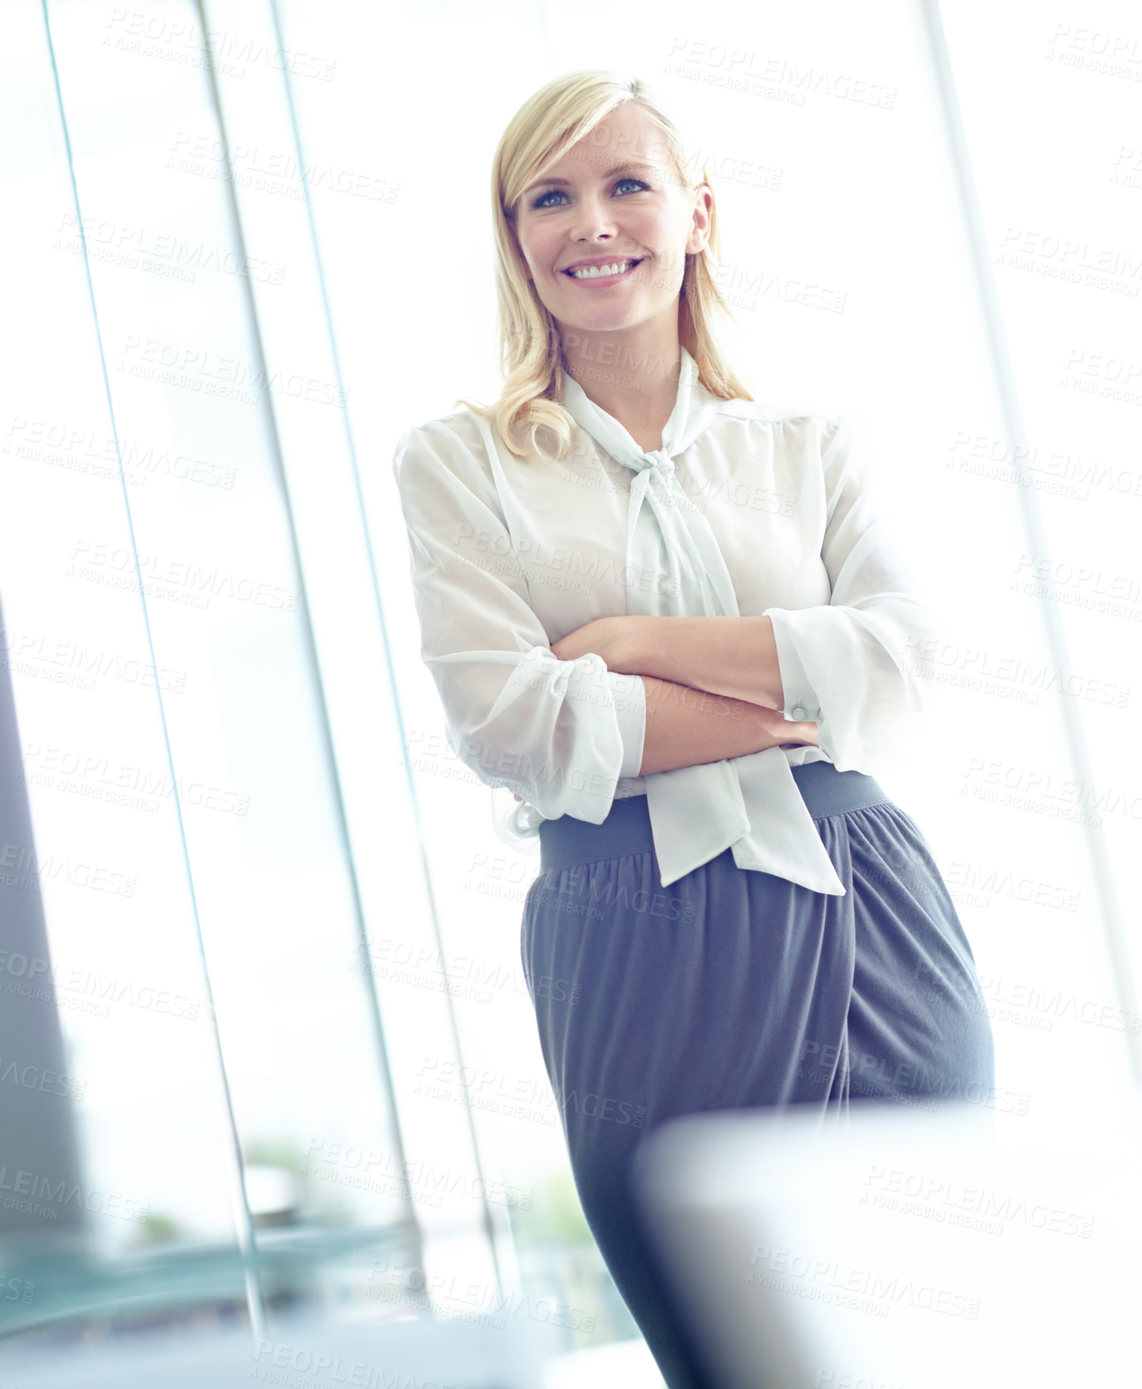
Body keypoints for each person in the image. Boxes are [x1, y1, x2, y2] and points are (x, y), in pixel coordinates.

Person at [390, 70, 995, 1387]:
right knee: (727, 1353)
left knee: (938, 1340)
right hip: (628, 931)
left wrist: (632, 651)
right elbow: (514, 725)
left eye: (625, 186)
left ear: (697, 213)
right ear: (512, 235)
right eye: (547, 196)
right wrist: (799, 692)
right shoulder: (459, 461)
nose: (589, 223)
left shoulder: (807, 443)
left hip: (867, 911)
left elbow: (899, 666)